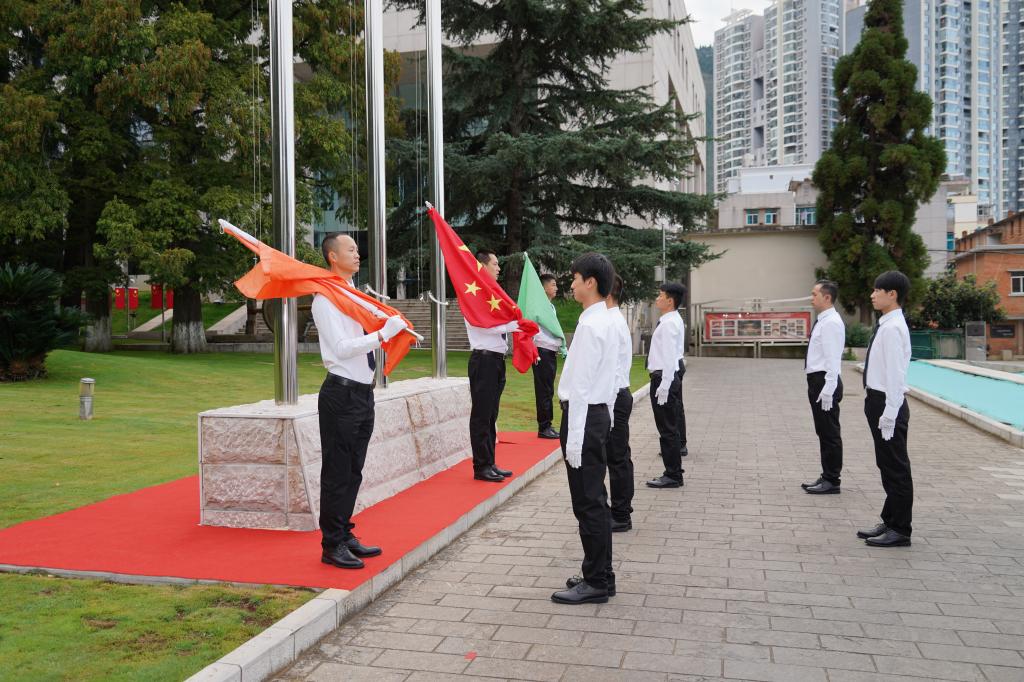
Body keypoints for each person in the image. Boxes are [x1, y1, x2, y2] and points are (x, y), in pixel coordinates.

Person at [313, 233, 408, 569]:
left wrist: (387, 324)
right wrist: (383, 335)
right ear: (332, 257)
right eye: (350, 250)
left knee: (354, 470)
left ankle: (344, 532)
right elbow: (341, 349)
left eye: (357, 249)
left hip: (362, 392)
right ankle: (331, 544)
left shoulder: (353, 295)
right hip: (341, 394)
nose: (357, 254)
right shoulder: (325, 299)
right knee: (337, 472)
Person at [551, 253, 618, 605]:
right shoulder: (602, 320)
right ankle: (601, 573)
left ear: (590, 282)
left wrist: (575, 439)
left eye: (575, 278)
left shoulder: (592, 326)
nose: (572, 284)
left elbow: (580, 387)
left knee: (588, 502)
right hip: (595, 415)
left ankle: (596, 581)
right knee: (595, 500)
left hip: (584, 416)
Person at [858, 271, 914, 547]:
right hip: (879, 400)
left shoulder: (892, 328)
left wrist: (890, 413)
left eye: (877, 290)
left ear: (892, 294)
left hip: (887, 403)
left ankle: (901, 529)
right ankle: (890, 520)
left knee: (895, 467)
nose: (872, 295)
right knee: (887, 464)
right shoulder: (887, 324)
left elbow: (895, 374)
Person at [466, 249, 517, 482]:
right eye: (494, 264)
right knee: (481, 415)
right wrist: (511, 326)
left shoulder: (491, 292)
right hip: (484, 360)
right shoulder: (473, 293)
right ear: (482, 266)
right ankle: (481, 466)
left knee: (491, 415)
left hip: (496, 360)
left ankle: (490, 460)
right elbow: (480, 323)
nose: (498, 268)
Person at [801, 279, 846, 495]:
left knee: (829, 431)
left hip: (825, 381)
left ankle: (832, 479)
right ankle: (827, 474)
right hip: (818, 380)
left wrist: (828, 388)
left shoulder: (831, 323)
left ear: (827, 297)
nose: (812, 298)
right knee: (823, 430)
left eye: (814, 294)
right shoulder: (824, 320)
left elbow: (833, 358)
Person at [646, 282, 688, 489]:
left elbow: (670, 357)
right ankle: (673, 471)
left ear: (670, 301)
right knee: (669, 426)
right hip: (666, 376)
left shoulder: (669, 323)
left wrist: (664, 385)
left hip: (664, 377)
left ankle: (673, 474)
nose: (657, 298)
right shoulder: (671, 319)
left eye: (661, 296)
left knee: (667, 429)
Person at [605, 274, 635, 531]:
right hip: (615, 396)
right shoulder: (611, 319)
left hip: (614, 397)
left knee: (617, 458)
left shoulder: (612, 322)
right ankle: (620, 510)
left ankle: (621, 514)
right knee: (617, 456)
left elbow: (612, 371)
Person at [532, 274, 562, 439]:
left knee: (548, 389)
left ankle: (547, 424)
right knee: (543, 390)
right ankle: (544, 427)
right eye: (553, 284)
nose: (556, 288)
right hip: (542, 351)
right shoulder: (539, 306)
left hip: (550, 351)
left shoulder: (550, 307)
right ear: (544, 288)